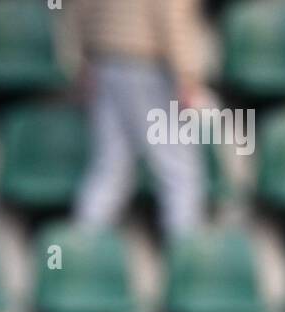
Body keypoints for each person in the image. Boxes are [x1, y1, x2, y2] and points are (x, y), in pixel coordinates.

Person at [69, 0, 207, 239]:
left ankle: (81, 247)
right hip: (148, 64)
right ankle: (186, 256)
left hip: (105, 61)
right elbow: (170, 13)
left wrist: (81, 58)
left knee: (111, 165)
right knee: (178, 169)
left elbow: (79, 10)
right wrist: (187, 76)